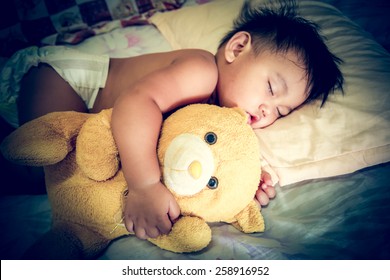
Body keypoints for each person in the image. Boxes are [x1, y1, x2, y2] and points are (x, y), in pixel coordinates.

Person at [0, 1, 343, 240]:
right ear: (237, 49)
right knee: (43, 167)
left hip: (95, 121)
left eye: (281, 111)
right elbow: (136, 103)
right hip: (70, 83)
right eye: (271, 88)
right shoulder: (202, 71)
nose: (268, 110)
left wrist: (241, 181)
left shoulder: (222, 115)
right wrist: (145, 185)